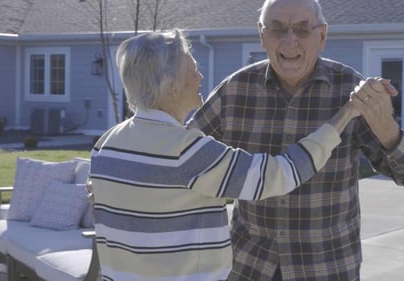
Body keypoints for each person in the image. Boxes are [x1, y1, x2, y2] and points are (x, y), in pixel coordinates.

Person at [186, 0, 404, 281]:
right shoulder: (235, 91)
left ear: (322, 36)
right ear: (262, 35)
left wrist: (386, 128)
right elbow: (184, 156)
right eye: (277, 29)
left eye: (302, 29)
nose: (290, 42)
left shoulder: (350, 92)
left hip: (325, 268)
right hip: (248, 267)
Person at [88, 31, 369, 281]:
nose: (199, 77)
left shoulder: (106, 145)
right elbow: (280, 174)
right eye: (192, 68)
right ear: (171, 85)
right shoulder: (186, 152)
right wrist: (344, 116)